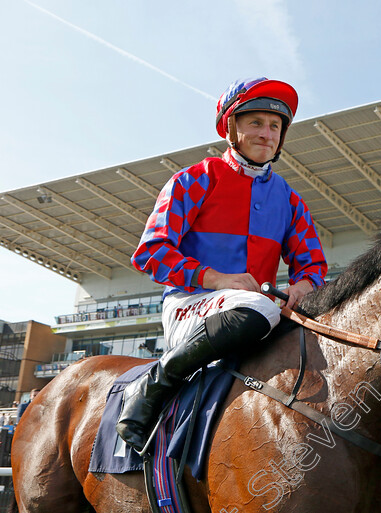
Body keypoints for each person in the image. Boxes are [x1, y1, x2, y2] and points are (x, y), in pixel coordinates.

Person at [115, 77, 328, 451]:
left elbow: (313, 264)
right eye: (256, 123)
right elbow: (151, 252)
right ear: (232, 128)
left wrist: (304, 285)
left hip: (258, 314)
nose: (267, 134)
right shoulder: (195, 179)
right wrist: (216, 278)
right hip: (191, 304)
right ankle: (151, 387)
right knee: (260, 307)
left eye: (275, 126)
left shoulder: (290, 200)